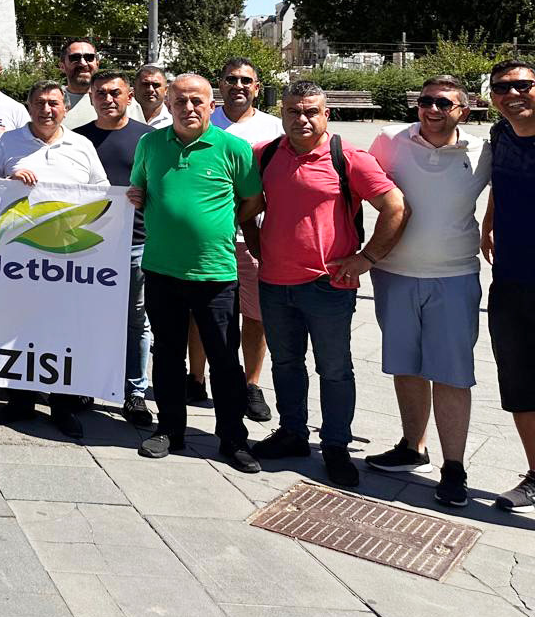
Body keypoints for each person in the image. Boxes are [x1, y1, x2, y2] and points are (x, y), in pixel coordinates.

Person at [243, 80, 405, 488]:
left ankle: (335, 444)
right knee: (285, 364)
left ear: (326, 114)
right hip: (275, 282)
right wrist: (258, 243)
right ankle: (293, 433)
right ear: (281, 112)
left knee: (334, 369)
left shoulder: (346, 157)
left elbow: (394, 206)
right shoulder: (265, 156)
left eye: (311, 111)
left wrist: (366, 258)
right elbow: (247, 205)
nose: (302, 118)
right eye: (294, 111)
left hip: (327, 285)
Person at [365, 75, 490, 506]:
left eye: (443, 103)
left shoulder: (482, 149)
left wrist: (490, 223)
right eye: (425, 101)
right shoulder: (388, 140)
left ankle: (453, 468)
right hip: (394, 273)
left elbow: (508, 189)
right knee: (407, 364)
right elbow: (362, 185)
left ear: (464, 111)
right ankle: (410, 446)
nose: (432, 110)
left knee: (452, 373)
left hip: (454, 277)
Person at [128, 73, 262, 473]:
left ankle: (233, 437)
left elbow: (252, 199)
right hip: (161, 268)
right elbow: (139, 190)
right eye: (180, 101)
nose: (188, 108)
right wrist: (138, 197)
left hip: (215, 273)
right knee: (167, 354)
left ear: (211, 105)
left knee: (223, 359)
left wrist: (219, 224)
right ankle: (170, 429)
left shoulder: (234, 148)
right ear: (168, 104)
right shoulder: (150, 144)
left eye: (197, 101)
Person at [0, 79, 108, 437]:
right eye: (39, 102)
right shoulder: (9, 142)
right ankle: (20, 402)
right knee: (20, 327)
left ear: (65, 108)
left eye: (53, 103)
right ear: (28, 105)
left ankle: (62, 405)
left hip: (68, 257)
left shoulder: (81, 146)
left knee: (65, 330)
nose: (46, 109)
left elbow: (102, 194)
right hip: (19, 254)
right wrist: (8, 177)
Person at [75, 71, 156, 427]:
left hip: (137, 243)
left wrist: (147, 197)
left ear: (129, 97)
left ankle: (134, 393)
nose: (108, 99)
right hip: (88, 245)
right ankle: (85, 383)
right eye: (101, 94)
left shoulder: (151, 140)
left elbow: (167, 189)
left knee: (136, 322)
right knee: (87, 318)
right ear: (91, 98)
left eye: (115, 93)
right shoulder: (76, 140)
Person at [205, 58, 283, 421]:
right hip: (208, 237)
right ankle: (197, 377)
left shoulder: (275, 128)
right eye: (231, 79)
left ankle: (251, 383)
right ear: (219, 84)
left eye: (245, 80)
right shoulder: (204, 122)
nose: (238, 85)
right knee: (202, 313)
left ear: (257, 86)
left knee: (255, 315)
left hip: (254, 236)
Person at [478, 60, 535, 513]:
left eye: (522, 85)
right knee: (518, 381)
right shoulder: (501, 135)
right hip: (511, 278)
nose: (512, 93)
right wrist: (491, 218)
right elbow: (501, 179)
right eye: (502, 87)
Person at [134, 65, 172, 130]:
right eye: (145, 84)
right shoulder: (122, 117)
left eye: (156, 85)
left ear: (166, 90)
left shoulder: (174, 121)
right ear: (135, 88)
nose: (150, 89)